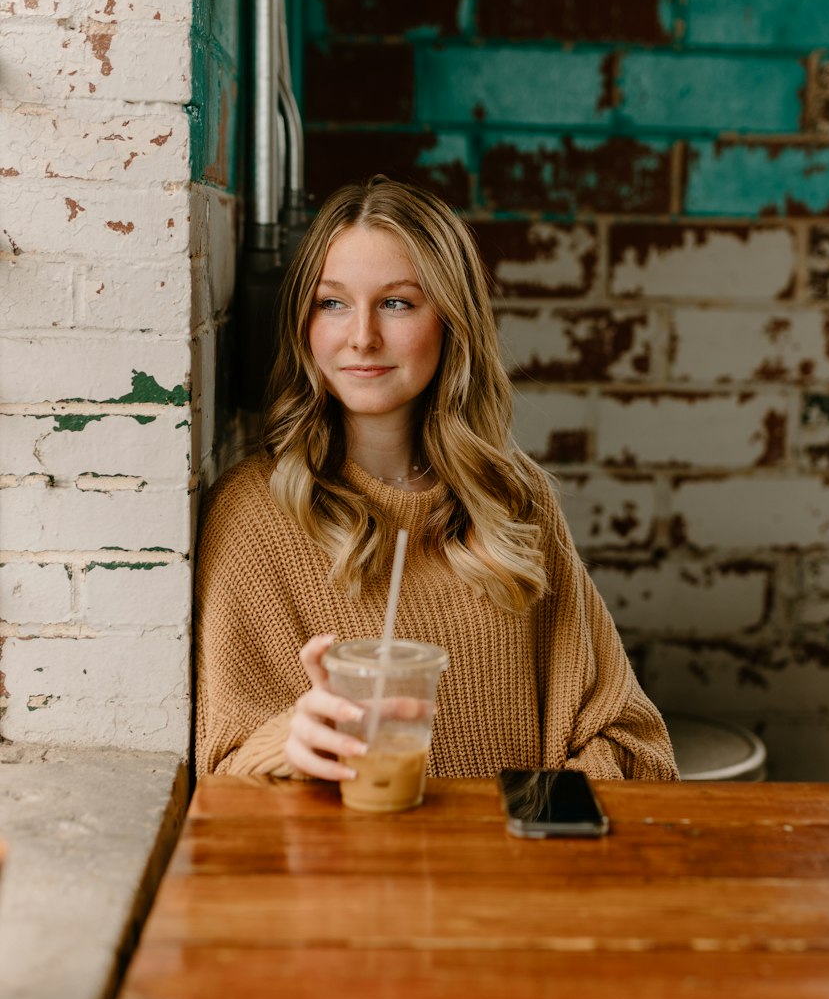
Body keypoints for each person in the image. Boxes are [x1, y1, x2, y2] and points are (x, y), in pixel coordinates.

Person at [195, 177, 678, 784]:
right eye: (332, 302)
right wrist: (289, 747)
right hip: (356, 873)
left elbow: (632, 738)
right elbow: (222, 778)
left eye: (397, 302)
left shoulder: (514, 498)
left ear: (452, 318)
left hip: (515, 870)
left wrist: (526, 829)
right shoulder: (252, 515)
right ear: (302, 322)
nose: (362, 335)